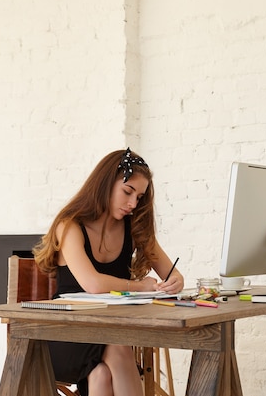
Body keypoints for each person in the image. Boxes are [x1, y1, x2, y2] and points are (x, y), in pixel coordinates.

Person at [34, 148, 184, 396]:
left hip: (108, 329)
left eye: (139, 196)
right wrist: (141, 286)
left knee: (101, 374)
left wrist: (175, 282)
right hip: (64, 333)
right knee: (117, 345)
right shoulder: (70, 225)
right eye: (127, 192)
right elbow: (92, 283)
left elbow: (173, 274)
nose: (133, 204)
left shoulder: (133, 227)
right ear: (105, 184)